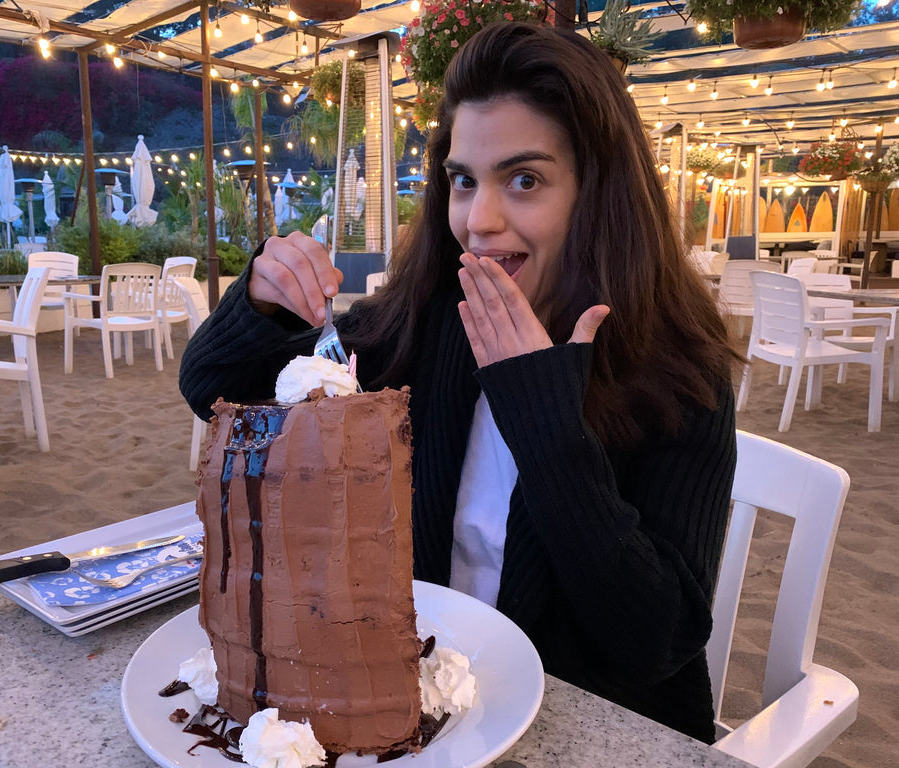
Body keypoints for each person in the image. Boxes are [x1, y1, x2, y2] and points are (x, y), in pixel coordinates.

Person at [181, 22, 738, 743]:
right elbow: (215, 388)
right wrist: (260, 298)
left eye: (525, 180)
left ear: (598, 195)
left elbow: (657, 641)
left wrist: (544, 423)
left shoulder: (678, 374)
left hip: (591, 724)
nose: (479, 221)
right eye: (464, 180)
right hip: (424, 713)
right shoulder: (423, 324)